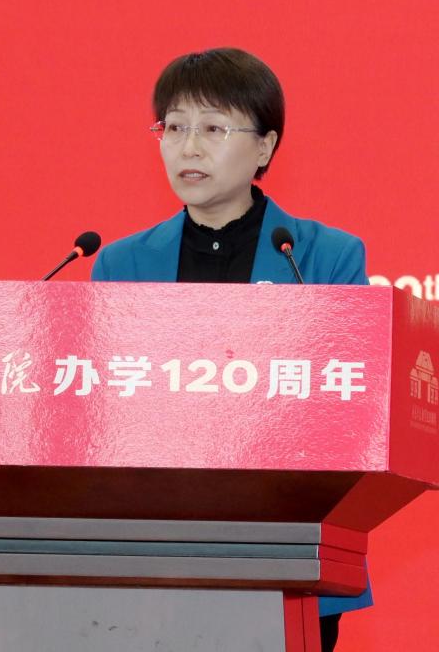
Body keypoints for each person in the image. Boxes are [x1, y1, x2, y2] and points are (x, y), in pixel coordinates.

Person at [90, 47, 372, 650]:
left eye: (213, 129)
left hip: (286, 543)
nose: (188, 148)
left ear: (265, 147)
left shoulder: (323, 258)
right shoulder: (121, 264)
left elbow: (349, 411)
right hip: (150, 546)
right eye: (174, 128)